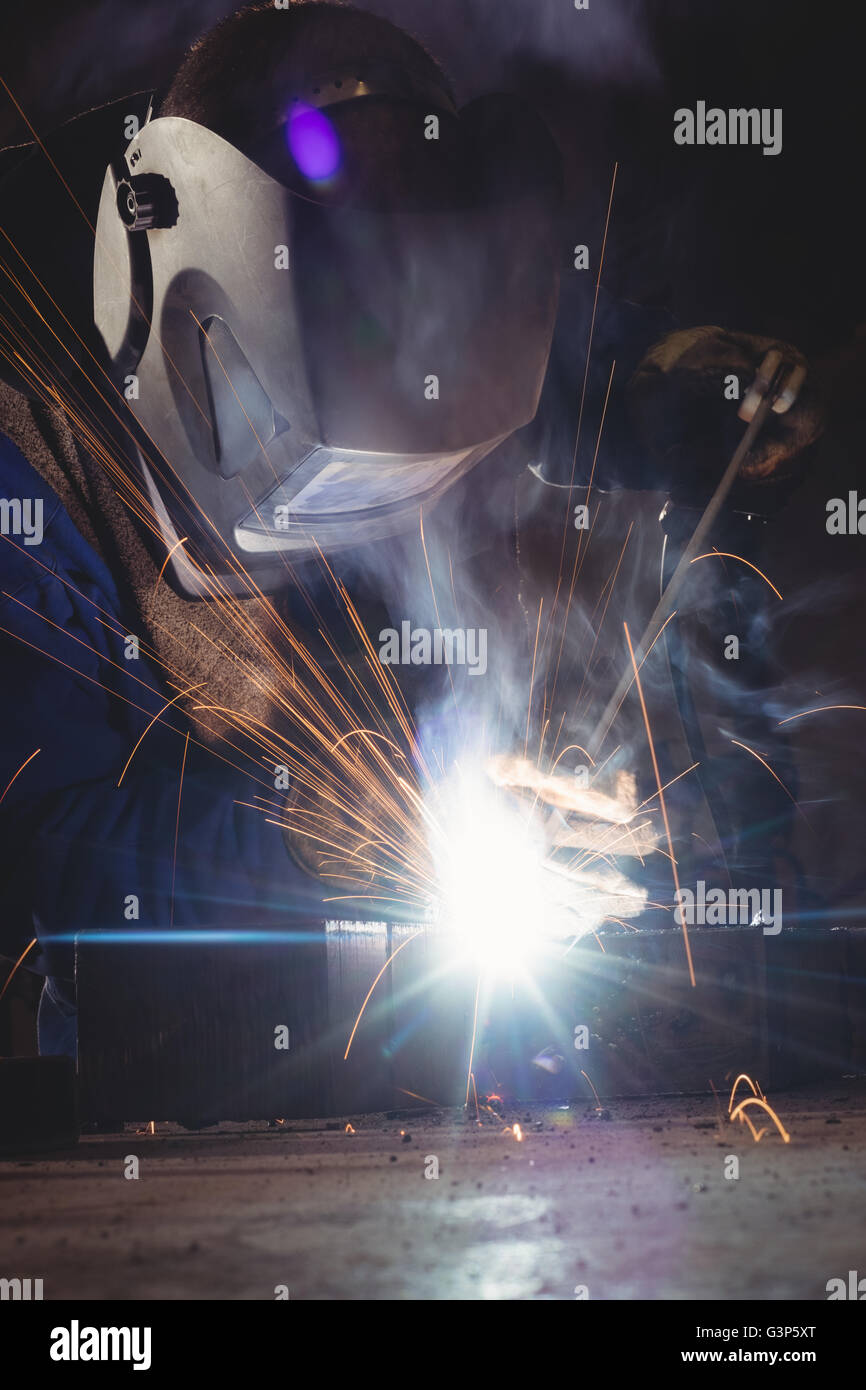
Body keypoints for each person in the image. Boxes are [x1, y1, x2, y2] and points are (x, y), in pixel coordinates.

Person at [0, 1, 819, 1060]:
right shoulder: (30, 456)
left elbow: (581, 369)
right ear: (173, 312)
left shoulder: (464, 309)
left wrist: (690, 395)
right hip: (165, 1071)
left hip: (427, 1050)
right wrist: (319, 831)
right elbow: (34, 847)